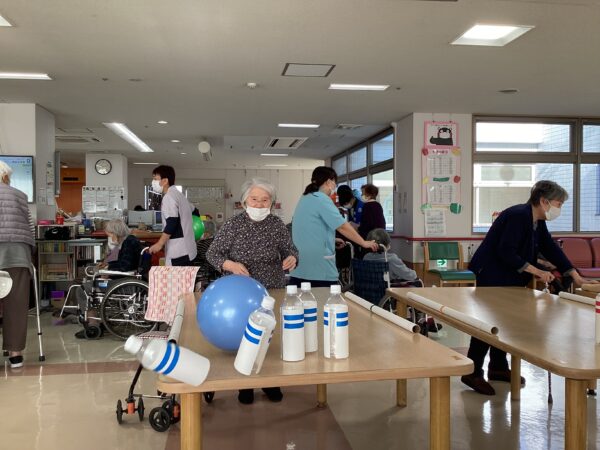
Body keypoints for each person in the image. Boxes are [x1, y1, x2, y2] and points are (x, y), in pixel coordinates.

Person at [462, 180, 598, 396]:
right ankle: (472, 371)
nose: (559, 209)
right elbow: (506, 251)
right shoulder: (518, 216)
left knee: (505, 321)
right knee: (487, 322)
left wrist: (575, 276)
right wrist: (538, 271)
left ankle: (498, 367)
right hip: (492, 273)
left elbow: (549, 247)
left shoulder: (536, 220)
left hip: (510, 275)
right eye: (558, 204)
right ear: (544, 201)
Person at [206, 178, 298, 405]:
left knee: (270, 338)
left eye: (264, 200)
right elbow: (213, 253)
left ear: (271, 203)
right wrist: (230, 265)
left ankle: (270, 381)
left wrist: (292, 258)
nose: (259, 204)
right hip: (240, 291)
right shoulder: (233, 225)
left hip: (271, 289)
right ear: (244, 201)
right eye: (254, 199)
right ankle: (245, 384)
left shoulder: (276, 225)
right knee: (245, 337)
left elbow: (290, 250)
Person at [290, 166, 379, 287]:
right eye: (334, 183)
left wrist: (332, 239)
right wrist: (363, 243)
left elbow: (309, 229)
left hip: (300, 268)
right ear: (328, 181)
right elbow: (342, 226)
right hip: (318, 270)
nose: (335, 187)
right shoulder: (321, 199)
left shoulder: (305, 198)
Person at [74, 219, 143, 339]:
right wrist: (107, 266)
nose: (110, 237)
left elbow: (125, 266)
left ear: (116, 232)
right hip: (126, 280)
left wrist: (108, 270)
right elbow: (123, 263)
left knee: (82, 290)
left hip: (124, 283)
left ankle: (93, 324)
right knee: (89, 282)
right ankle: (97, 320)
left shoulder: (128, 243)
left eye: (110, 235)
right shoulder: (128, 241)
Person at [0, 161, 34, 369]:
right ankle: (15, 354)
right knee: (16, 303)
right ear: (6, 176)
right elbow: (30, 228)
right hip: (17, 254)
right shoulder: (20, 195)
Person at [148, 165, 197, 266]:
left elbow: (171, 223)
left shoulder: (169, 197)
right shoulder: (179, 195)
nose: (153, 182)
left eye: (155, 179)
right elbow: (195, 210)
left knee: (176, 276)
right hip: (188, 249)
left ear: (165, 181)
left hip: (179, 251)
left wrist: (159, 244)